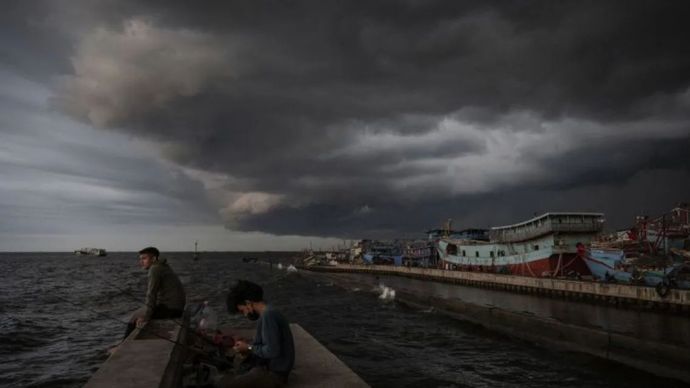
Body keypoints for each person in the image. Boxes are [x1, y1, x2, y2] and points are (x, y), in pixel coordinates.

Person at [219, 280, 294, 388]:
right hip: (273, 370)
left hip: (274, 375)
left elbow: (272, 351)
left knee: (224, 384)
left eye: (242, 310)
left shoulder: (268, 315)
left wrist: (248, 347)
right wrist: (248, 348)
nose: (245, 314)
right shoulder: (268, 312)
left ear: (248, 303)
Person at [124, 247, 186, 338]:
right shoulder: (163, 266)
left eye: (144, 258)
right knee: (139, 312)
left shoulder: (155, 269)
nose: (141, 262)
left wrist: (146, 316)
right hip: (177, 308)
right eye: (140, 259)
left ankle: (123, 346)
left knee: (135, 317)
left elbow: (151, 294)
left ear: (153, 259)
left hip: (171, 310)